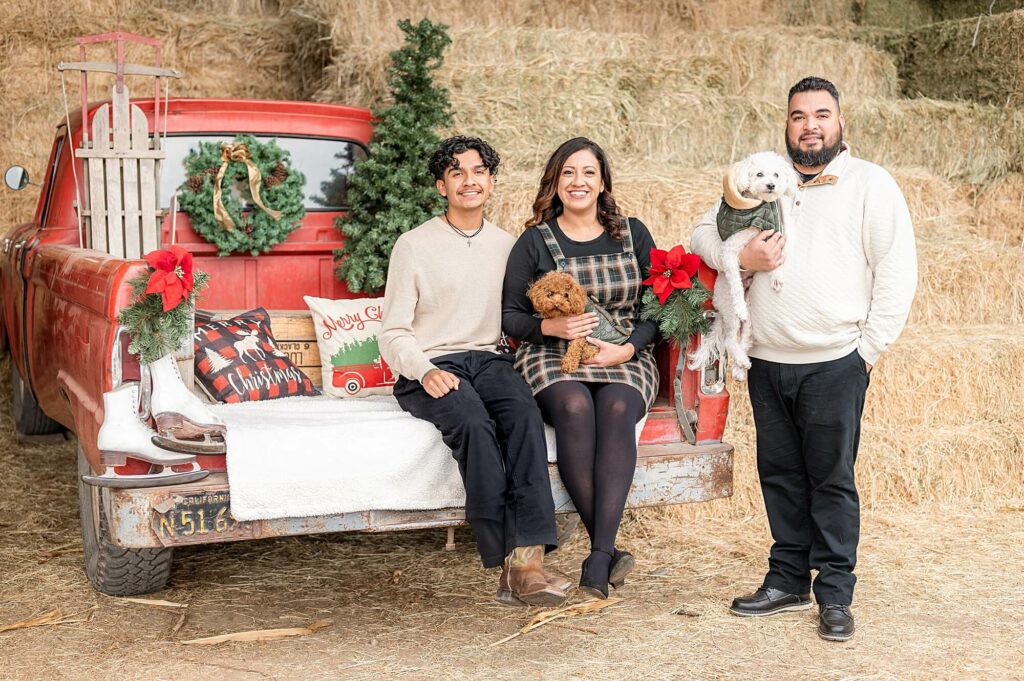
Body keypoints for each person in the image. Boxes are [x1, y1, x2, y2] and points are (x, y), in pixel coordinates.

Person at [690, 76, 917, 641]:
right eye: (798, 115)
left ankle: (835, 593)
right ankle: (787, 577)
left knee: (832, 478)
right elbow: (701, 232)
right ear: (786, 125)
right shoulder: (763, 181)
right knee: (781, 474)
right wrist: (740, 251)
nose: (810, 124)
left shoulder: (869, 183)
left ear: (840, 122)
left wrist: (866, 352)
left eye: (821, 114)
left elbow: (896, 270)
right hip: (765, 359)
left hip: (834, 360)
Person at [379, 136, 570, 607]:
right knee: (472, 422)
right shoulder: (414, 245)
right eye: (457, 172)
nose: (470, 180)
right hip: (431, 363)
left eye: (479, 171)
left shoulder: (508, 246)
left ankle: (529, 564)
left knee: (523, 417)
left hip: (489, 359)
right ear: (441, 185)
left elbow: (528, 312)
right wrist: (423, 371)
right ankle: (507, 558)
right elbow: (393, 332)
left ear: (492, 181)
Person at [502, 137, 660, 599]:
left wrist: (629, 349)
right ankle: (606, 552)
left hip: (622, 355)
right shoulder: (534, 241)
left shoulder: (633, 234)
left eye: (588, 172)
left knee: (614, 407)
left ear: (603, 181)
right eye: (568, 172)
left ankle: (597, 555)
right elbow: (511, 316)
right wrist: (553, 326)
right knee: (573, 406)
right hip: (552, 355)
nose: (578, 182)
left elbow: (657, 308)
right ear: (555, 181)